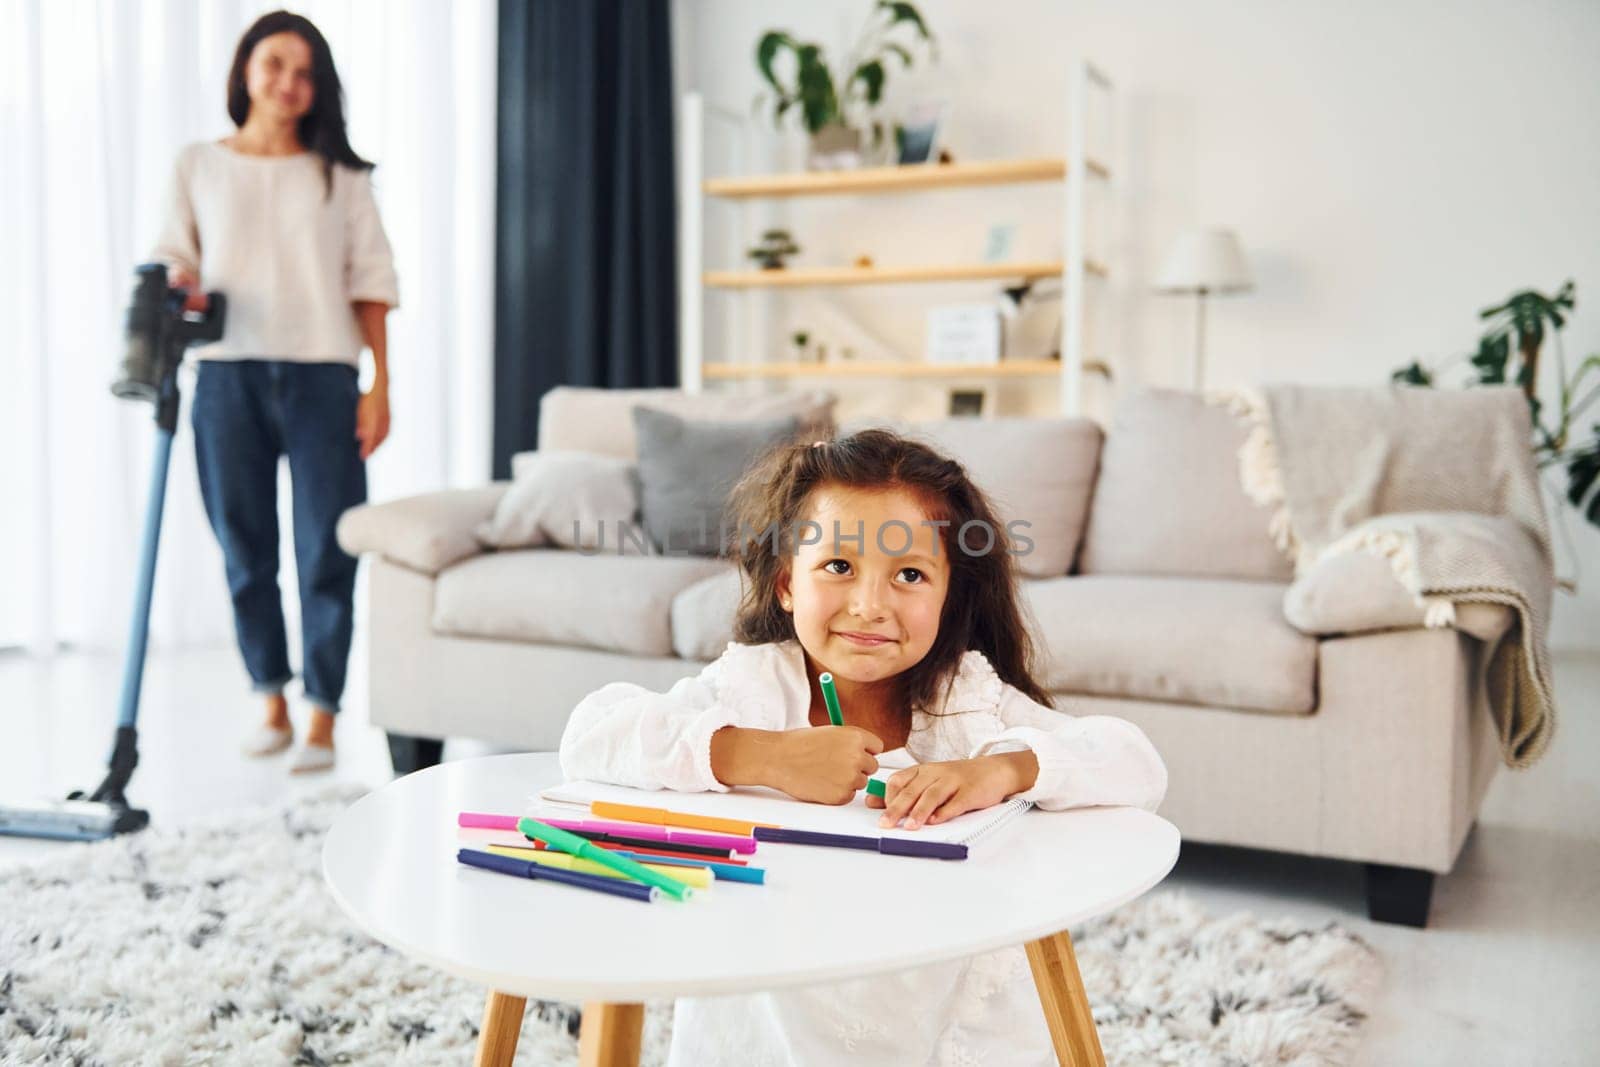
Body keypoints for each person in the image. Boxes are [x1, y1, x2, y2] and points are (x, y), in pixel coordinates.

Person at [559, 429, 1168, 1066]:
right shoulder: (751, 688)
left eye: (909, 574)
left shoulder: (970, 701)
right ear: (786, 583)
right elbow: (592, 732)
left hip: (945, 1029)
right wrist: (764, 755)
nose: (870, 606)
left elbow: (1133, 761)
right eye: (839, 567)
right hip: (773, 1026)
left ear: (947, 593)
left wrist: (1000, 770)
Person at [152, 11, 398, 774]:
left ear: (317, 89)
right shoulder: (198, 163)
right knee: (245, 546)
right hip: (226, 378)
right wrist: (179, 286)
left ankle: (323, 710)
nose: (289, 83)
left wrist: (379, 383)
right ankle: (271, 696)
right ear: (246, 69)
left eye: (305, 73)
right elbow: (174, 257)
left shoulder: (342, 177)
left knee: (328, 547)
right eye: (275, 65)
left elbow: (371, 284)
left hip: (325, 377)